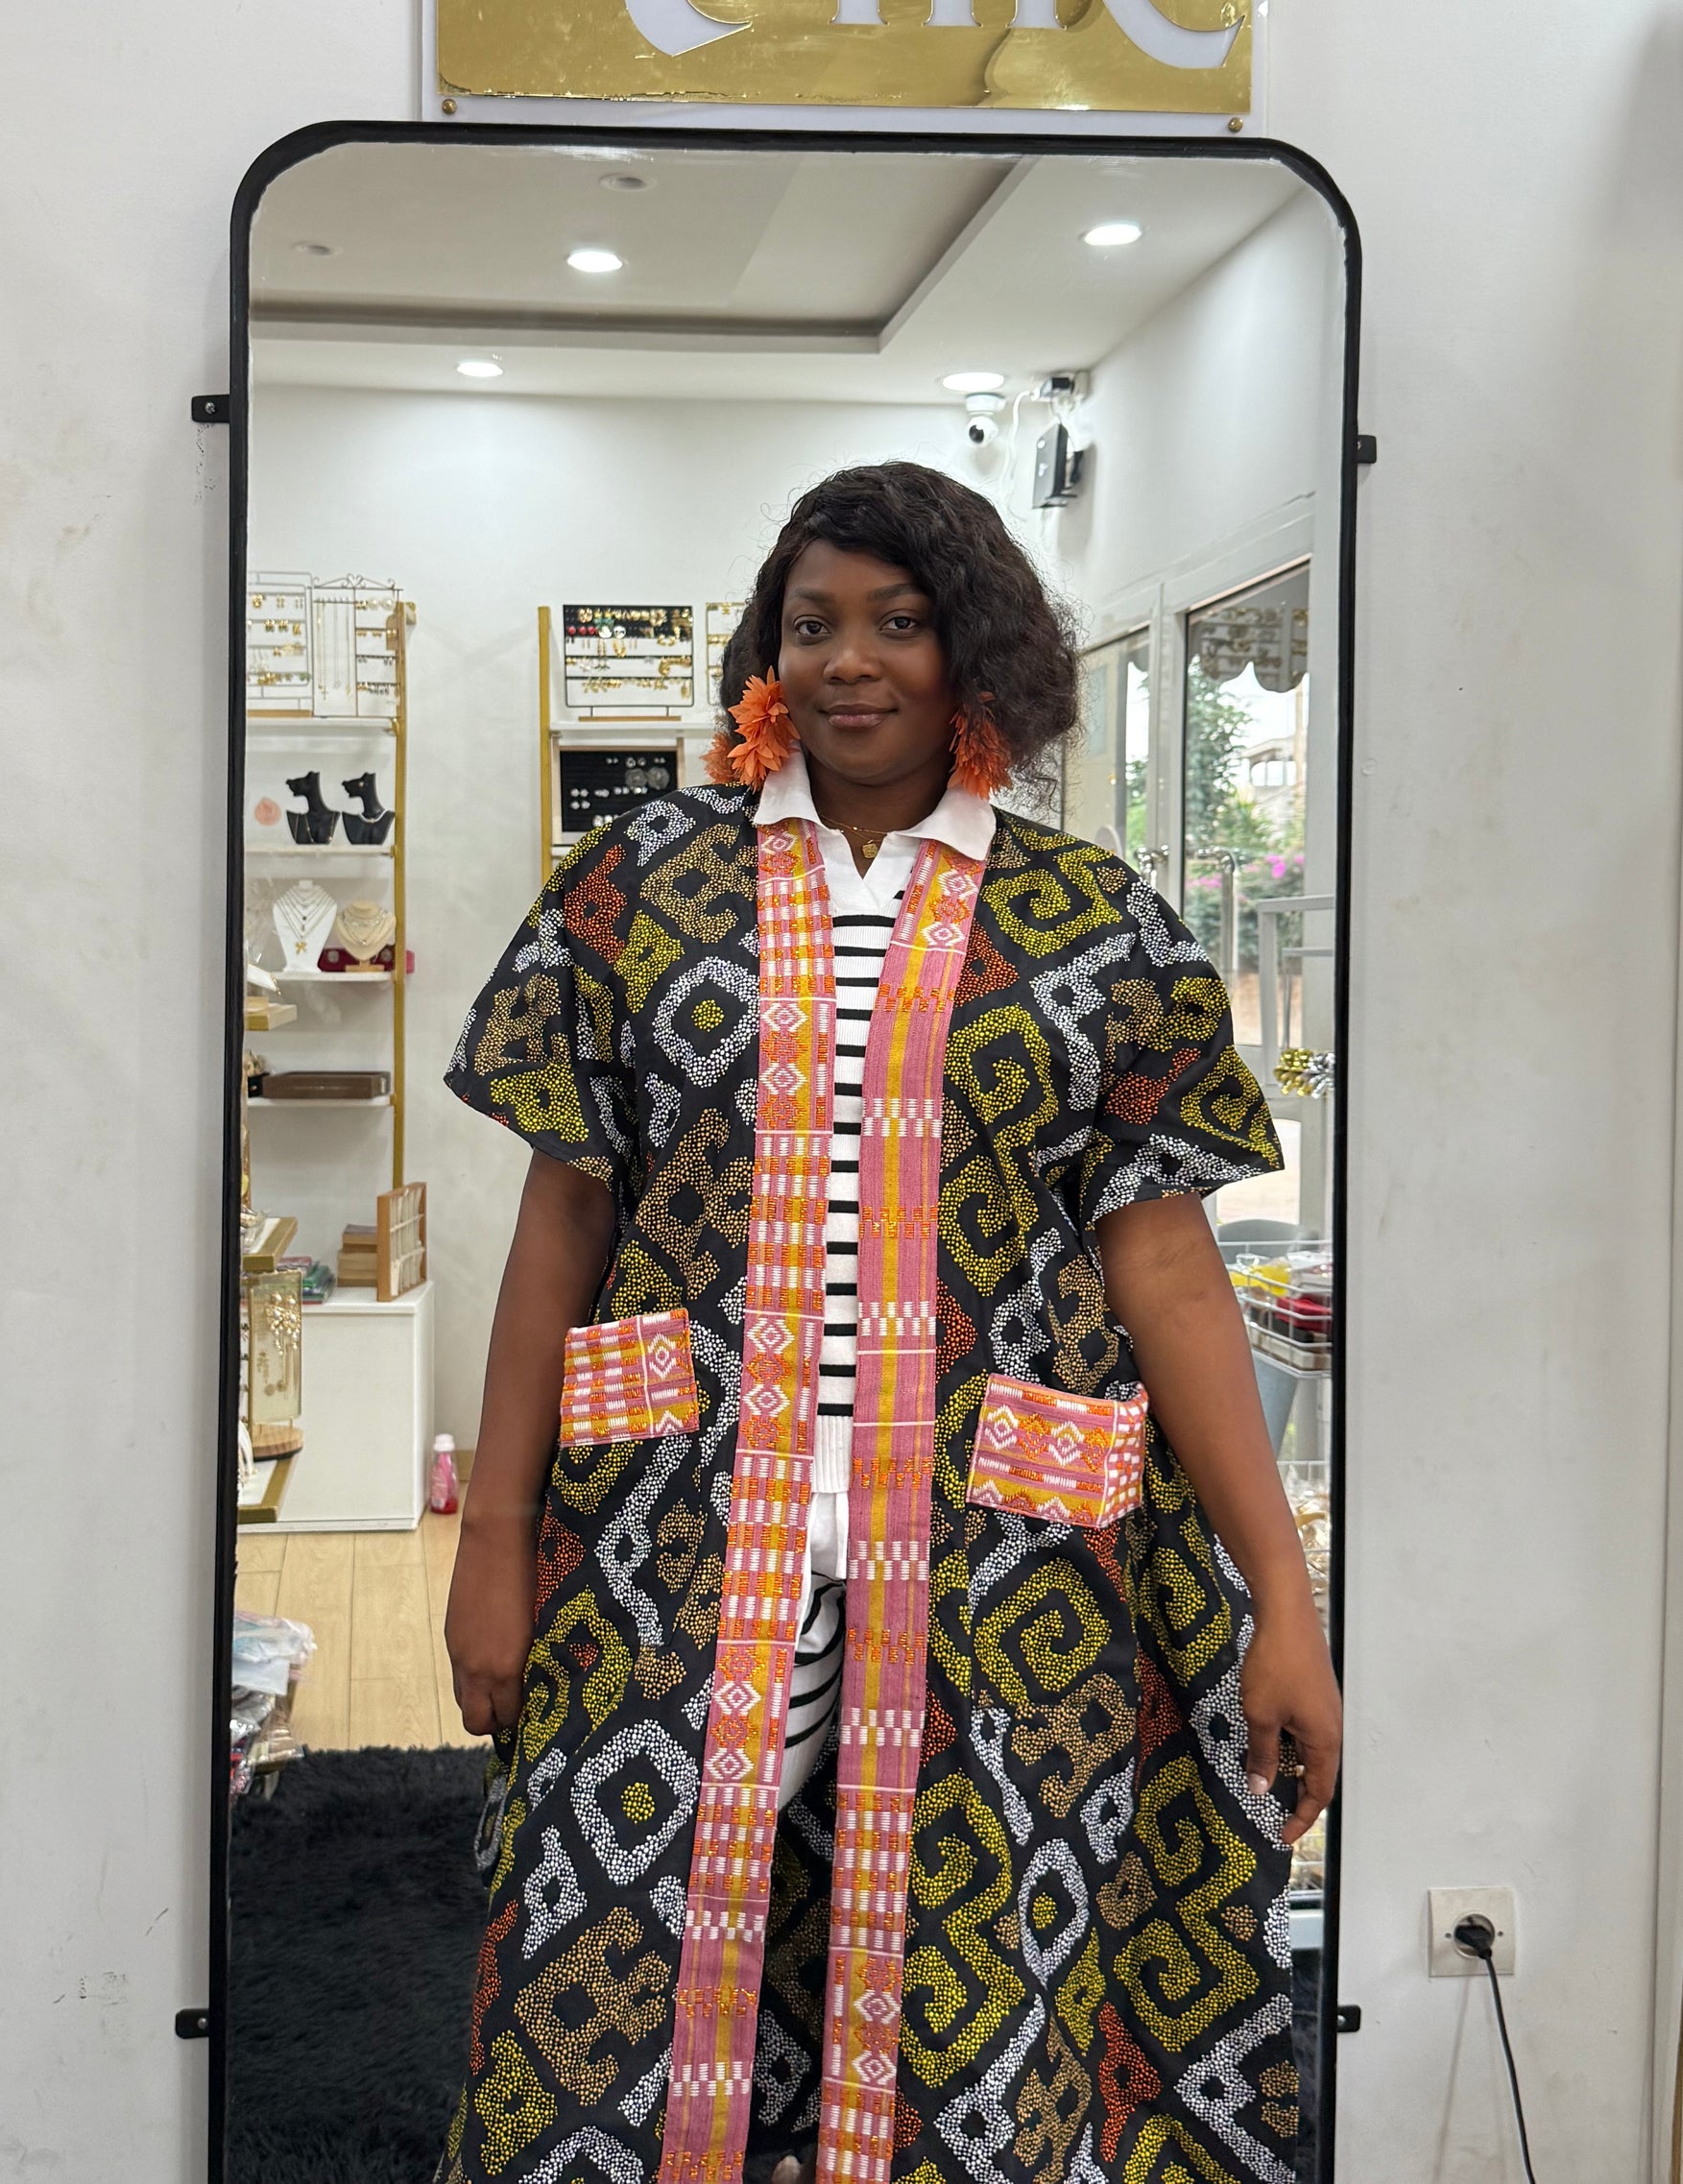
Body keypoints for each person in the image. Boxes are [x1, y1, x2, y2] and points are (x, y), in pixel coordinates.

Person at [442, 460, 1341, 2184]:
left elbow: (1165, 1273)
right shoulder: (638, 887)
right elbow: (563, 1221)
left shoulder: (1094, 923)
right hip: (670, 1542)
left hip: (1007, 1565)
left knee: (967, 2001)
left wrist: (1280, 1602)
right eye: (813, 624)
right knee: (604, 1983)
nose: (849, 661)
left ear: (974, 648)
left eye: (899, 621)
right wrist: (493, 1540)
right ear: (768, 654)